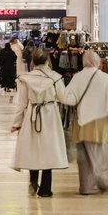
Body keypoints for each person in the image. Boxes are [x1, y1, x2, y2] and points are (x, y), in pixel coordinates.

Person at [64, 50, 108, 195]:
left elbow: (69, 99)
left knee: (83, 158)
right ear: (98, 62)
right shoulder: (103, 77)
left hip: (81, 123)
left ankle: (85, 187)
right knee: (100, 154)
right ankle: (101, 180)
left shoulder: (77, 77)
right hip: (101, 123)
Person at [11, 50, 69, 197]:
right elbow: (64, 98)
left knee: (33, 148)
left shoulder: (25, 79)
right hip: (50, 115)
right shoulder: (56, 78)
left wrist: (16, 123)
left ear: (33, 62)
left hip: (33, 114)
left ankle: (33, 181)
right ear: (48, 61)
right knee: (48, 150)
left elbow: (22, 104)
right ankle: (45, 189)